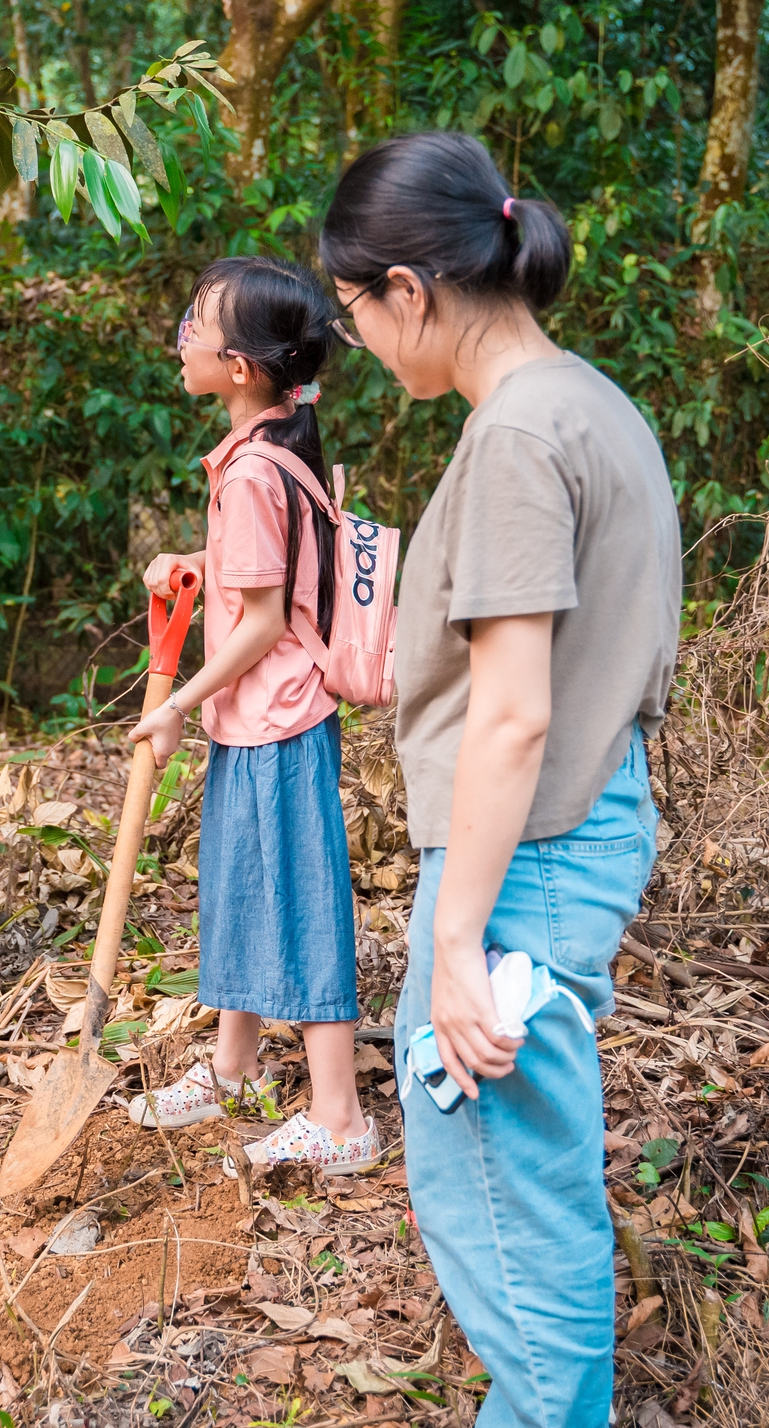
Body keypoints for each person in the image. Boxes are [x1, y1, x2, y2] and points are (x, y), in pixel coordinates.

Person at [321, 132, 679, 1427]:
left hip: (521, 862)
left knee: (507, 1214)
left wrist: (457, 942)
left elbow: (518, 719)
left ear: (408, 291)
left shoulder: (517, 438)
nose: (358, 342)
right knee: (532, 1188)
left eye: (356, 312)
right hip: (585, 828)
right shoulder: (589, 403)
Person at [125, 258, 378, 1173]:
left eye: (195, 323)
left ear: (238, 368)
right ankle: (233, 1069)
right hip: (256, 720)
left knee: (299, 903)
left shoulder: (254, 472)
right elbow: (266, 571)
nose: (180, 335)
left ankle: (340, 1117)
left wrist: (178, 707)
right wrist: (193, 560)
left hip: (276, 719)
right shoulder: (267, 454)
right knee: (236, 889)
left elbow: (268, 616)